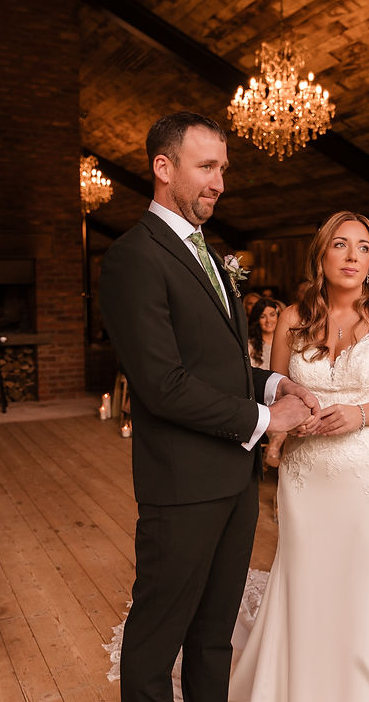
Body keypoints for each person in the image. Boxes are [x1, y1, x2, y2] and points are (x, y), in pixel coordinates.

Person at [99, 112, 319, 702]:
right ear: (163, 167)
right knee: (156, 641)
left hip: (235, 479)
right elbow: (163, 384)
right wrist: (267, 421)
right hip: (182, 486)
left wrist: (274, 386)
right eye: (206, 167)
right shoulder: (133, 257)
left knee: (214, 635)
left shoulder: (213, 255)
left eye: (222, 169)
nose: (219, 182)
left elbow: (217, 363)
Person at [229, 211, 369, 701]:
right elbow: (278, 391)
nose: (352, 256)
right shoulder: (293, 318)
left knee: (365, 589)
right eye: (340, 245)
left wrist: (360, 414)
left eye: (363, 247)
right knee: (306, 583)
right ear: (321, 254)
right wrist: (292, 419)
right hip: (307, 478)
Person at [247, 298, 280, 369]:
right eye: (263, 317)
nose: (268, 320)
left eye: (272, 315)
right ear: (257, 319)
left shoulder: (286, 341)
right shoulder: (250, 345)